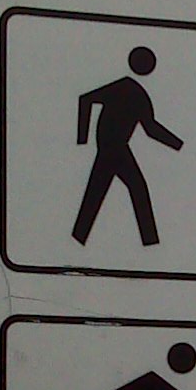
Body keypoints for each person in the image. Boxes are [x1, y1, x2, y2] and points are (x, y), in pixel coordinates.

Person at [71, 46, 182, 247]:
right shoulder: (125, 88)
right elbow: (85, 99)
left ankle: (79, 237)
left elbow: (150, 128)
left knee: (101, 191)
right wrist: (82, 138)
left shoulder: (138, 95)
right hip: (112, 148)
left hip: (116, 148)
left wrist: (177, 144)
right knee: (133, 188)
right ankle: (149, 241)